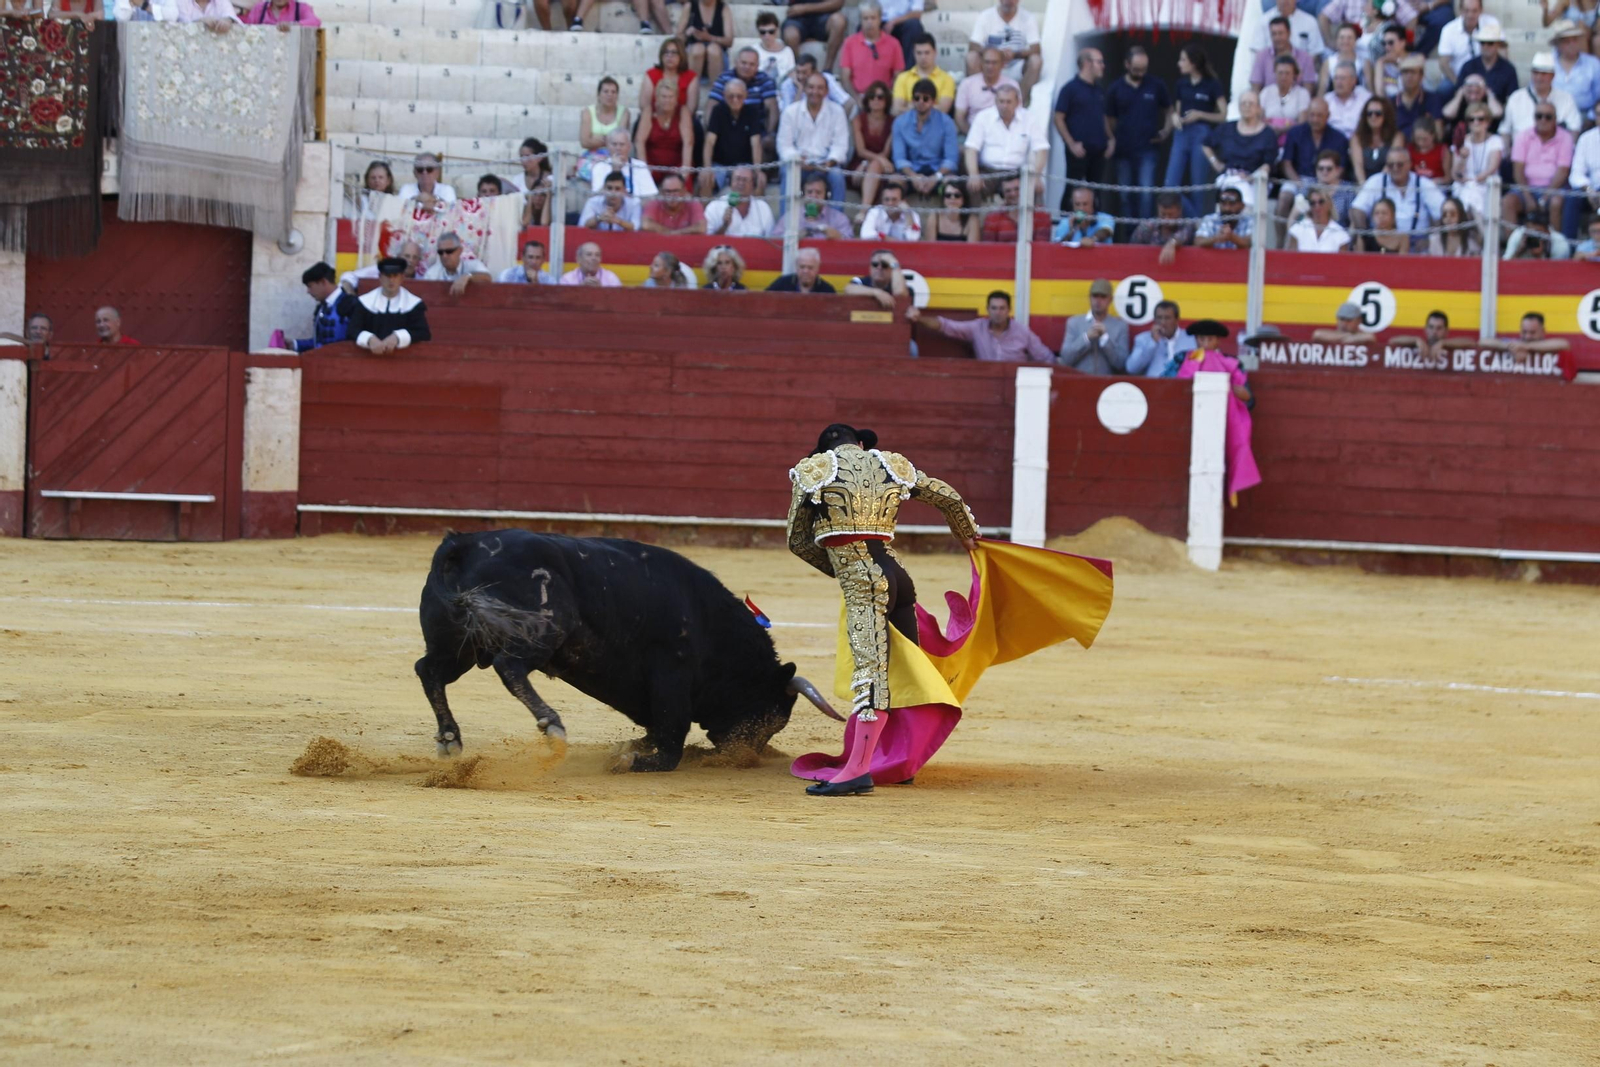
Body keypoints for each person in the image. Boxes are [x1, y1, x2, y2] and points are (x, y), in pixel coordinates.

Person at [785, 423, 978, 796]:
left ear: (822, 449)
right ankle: (898, 762)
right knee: (903, 671)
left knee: (871, 677)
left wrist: (841, 570)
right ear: (859, 443)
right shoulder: (890, 464)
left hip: (865, 581)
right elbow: (949, 498)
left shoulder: (814, 471)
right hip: (900, 578)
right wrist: (965, 532)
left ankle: (858, 770)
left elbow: (798, 541)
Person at [1177, 320, 1260, 507]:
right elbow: (1167, 386)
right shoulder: (1182, 358)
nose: (1205, 343)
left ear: (1217, 342)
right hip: (1189, 424)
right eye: (1201, 339)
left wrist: (1246, 397)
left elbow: (1250, 400)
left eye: (1209, 339)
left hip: (1221, 426)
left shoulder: (1232, 363)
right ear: (1196, 340)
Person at [1106, 46, 1172, 222]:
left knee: (1146, 193)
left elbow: (1169, 109)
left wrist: (1166, 130)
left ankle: (1145, 233)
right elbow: (1108, 118)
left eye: (1143, 69)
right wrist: (1112, 138)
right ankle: (1129, 237)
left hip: (1148, 148)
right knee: (1125, 195)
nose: (1140, 73)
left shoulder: (1156, 85)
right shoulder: (1115, 88)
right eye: (1136, 69)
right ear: (1126, 64)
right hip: (1122, 150)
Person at [1167, 43, 1229, 219]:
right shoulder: (1181, 84)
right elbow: (1177, 111)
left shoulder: (1212, 84)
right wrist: (1174, 118)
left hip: (1202, 134)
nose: (1179, 63)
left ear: (1193, 63)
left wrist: (1200, 115)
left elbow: (1223, 115)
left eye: (1183, 60)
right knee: (1170, 186)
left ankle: (1197, 227)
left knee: (1198, 186)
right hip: (1182, 133)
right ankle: (1193, 220)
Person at [777, 73, 852, 205]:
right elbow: (784, 145)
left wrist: (829, 162)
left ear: (826, 91)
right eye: (811, 87)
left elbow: (840, 145)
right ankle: (785, 222)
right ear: (805, 89)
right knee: (788, 173)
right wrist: (798, 160)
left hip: (826, 165)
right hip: (798, 164)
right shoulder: (790, 111)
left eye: (819, 88)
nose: (815, 92)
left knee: (837, 176)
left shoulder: (837, 111)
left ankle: (837, 222)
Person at [1350, 147, 1446, 248]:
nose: (1395, 168)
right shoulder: (1376, 181)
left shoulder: (1424, 184)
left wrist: (1431, 238)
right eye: (1391, 165)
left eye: (1400, 164)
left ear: (1410, 164)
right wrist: (1366, 237)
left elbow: (1443, 211)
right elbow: (1357, 209)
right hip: (1381, 243)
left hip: (1417, 244)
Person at [964, 84, 1048, 200]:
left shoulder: (1029, 118)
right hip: (989, 171)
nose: (1004, 106)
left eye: (1009, 102)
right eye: (1001, 101)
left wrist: (1036, 176)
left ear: (1017, 102)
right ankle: (974, 218)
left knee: (1037, 188)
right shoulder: (983, 117)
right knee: (973, 188)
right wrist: (974, 174)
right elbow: (971, 148)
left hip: (1017, 173)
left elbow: (1042, 149)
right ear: (995, 101)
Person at [1278, 99, 1350, 224]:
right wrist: (1299, 184)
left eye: (1319, 115)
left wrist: (1328, 181)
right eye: (1312, 115)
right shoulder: (1295, 132)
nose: (1315, 119)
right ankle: (1282, 240)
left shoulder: (1339, 138)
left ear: (1328, 116)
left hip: (1328, 178)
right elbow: (1287, 163)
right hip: (1298, 179)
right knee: (1284, 197)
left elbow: (1341, 167)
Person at [1505, 100, 1574, 229]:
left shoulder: (1565, 137)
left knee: (1556, 202)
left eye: (1548, 117)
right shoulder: (1523, 136)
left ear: (1555, 119)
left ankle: (1555, 246)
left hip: (1555, 188)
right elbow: (1518, 170)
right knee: (1508, 201)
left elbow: (1563, 171)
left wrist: (1545, 197)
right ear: (1534, 118)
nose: (1543, 120)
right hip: (1527, 187)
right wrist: (1528, 197)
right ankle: (1513, 246)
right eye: (1539, 116)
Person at [934, 289, 1052, 362]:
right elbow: (946, 326)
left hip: (1015, 384)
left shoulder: (1022, 331)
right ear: (988, 310)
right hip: (987, 384)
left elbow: (1045, 357)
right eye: (994, 308)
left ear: (1009, 310)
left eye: (1002, 308)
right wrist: (919, 318)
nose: (998, 312)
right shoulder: (977, 327)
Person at [1053, 48, 1111, 197]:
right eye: (1099, 62)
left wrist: (1110, 138)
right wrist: (1071, 144)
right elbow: (1058, 118)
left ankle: (1093, 221)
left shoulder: (1099, 90)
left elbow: (1102, 116)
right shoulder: (1070, 89)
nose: (1103, 66)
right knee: (1072, 192)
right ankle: (1065, 220)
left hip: (1099, 151)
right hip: (1078, 152)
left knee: (1095, 194)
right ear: (1086, 63)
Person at [1201, 89, 1279, 197]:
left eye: (1251, 103)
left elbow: (1268, 164)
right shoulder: (1227, 128)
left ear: (1259, 108)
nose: (1247, 106)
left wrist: (1249, 178)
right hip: (1229, 179)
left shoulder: (1268, 134)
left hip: (1256, 182)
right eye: (1243, 103)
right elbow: (1206, 144)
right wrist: (1216, 163)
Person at [965, 0, 1042, 104]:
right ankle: (983, 100)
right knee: (971, 57)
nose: (1009, 1)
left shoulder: (1028, 17)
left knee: (1036, 61)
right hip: (992, 64)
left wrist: (1015, 54)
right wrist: (995, 54)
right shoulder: (986, 16)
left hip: (1016, 65)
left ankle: (1018, 102)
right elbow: (973, 45)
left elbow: (1036, 48)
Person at [893, 77, 960, 197]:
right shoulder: (900, 122)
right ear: (912, 100)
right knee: (894, 181)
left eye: (925, 99)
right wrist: (913, 177)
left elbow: (951, 159)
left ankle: (947, 216)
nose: (921, 102)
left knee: (953, 184)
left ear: (934, 101)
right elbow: (899, 158)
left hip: (938, 171)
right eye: (917, 98)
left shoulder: (946, 122)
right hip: (911, 171)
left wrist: (936, 177)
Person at [350, 257, 430, 354]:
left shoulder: (413, 304)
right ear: (380, 277)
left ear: (402, 278)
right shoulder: (365, 302)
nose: (391, 280)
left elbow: (423, 333)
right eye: (387, 275)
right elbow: (352, 330)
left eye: (395, 275)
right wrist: (369, 339)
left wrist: (398, 337)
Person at [701, 77, 765, 196]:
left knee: (761, 180)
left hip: (744, 165)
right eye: (731, 96)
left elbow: (755, 143)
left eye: (739, 96)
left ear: (746, 96)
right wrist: (707, 168)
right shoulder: (718, 111)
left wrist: (757, 170)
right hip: (720, 164)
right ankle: (707, 214)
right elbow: (709, 142)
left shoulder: (752, 112)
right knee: (705, 180)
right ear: (724, 95)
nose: (735, 100)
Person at [709, 48, 782, 151]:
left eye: (752, 64)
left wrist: (770, 133)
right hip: (727, 128)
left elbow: (772, 108)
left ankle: (760, 167)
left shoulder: (765, 80)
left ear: (757, 66)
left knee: (768, 142)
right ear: (736, 62)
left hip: (756, 128)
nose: (747, 67)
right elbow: (712, 105)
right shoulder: (723, 78)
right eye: (743, 63)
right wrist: (710, 129)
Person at [1503, 52, 1581, 143]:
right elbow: (1505, 130)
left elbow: (1574, 129)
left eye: (1544, 74)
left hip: (1555, 153)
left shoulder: (1566, 98)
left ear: (1553, 76)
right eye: (1536, 73)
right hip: (1521, 153)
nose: (1539, 77)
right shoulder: (1516, 98)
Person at [839, 2, 906, 108]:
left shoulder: (893, 44)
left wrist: (885, 96)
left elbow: (898, 76)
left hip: (885, 97)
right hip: (859, 96)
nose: (870, 22)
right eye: (865, 18)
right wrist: (856, 99)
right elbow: (845, 77)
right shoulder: (849, 43)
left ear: (880, 19)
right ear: (860, 20)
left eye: (873, 18)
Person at [1058, 278, 1129, 375]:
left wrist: (1105, 340)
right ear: (1090, 298)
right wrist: (1086, 338)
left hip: (1106, 385)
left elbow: (1120, 364)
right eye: (1095, 296)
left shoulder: (1120, 326)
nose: (1098, 301)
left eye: (1103, 297)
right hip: (1079, 383)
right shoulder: (1074, 323)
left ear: (1110, 300)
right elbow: (1066, 358)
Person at [285, 262, 356, 352]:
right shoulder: (320, 308)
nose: (308, 291)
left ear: (323, 282)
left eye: (310, 286)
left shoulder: (351, 303)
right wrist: (295, 344)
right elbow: (319, 343)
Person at [1451, 102, 1504, 217]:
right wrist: (1463, 158)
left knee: (1472, 194)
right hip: (1464, 186)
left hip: (1486, 185)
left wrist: (1473, 180)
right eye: (1472, 119)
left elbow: (1492, 168)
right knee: (1469, 192)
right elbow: (1455, 175)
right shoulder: (1461, 141)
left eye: (1480, 119)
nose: (1476, 122)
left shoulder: (1495, 140)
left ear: (1488, 122)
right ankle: (1481, 232)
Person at [850, 81, 896, 209]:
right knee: (876, 165)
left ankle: (864, 210)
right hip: (860, 162)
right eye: (872, 97)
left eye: (880, 97)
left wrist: (878, 161)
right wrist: (867, 164)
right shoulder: (858, 119)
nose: (876, 100)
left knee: (876, 166)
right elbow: (860, 151)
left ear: (886, 100)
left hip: (882, 165)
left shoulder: (893, 121)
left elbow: (886, 152)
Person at [577, 79, 631, 187]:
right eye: (606, 91)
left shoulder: (624, 112)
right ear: (598, 94)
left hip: (616, 155)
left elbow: (620, 140)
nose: (609, 95)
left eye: (613, 92)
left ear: (617, 95)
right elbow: (584, 142)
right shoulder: (587, 112)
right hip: (591, 157)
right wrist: (610, 140)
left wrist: (596, 138)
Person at [955, 47, 1020, 135]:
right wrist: (974, 137)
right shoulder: (967, 84)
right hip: (973, 132)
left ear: (1002, 65)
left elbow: (1018, 115)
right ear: (981, 64)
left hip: (1003, 135)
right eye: (987, 62)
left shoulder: (1012, 85)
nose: (990, 66)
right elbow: (959, 117)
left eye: (994, 63)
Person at [770, 171, 853, 239]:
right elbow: (775, 240)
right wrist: (794, 237)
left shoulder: (839, 218)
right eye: (809, 192)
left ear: (827, 195)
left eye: (818, 192)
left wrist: (839, 237)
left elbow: (851, 244)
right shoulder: (790, 217)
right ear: (802, 194)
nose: (813, 196)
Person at [637, 80, 692, 181]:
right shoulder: (649, 111)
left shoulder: (683, 112)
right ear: (657, 98)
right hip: (652, 166)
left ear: (676, 99)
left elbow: (688, 143)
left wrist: (685, 170)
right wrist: (644, 169)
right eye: (664, 96)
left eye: (671, 97)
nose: (667, 100)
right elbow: (639, 141)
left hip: (677, 166)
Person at [1437, 0, 1503, 85]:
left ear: (1481, 10)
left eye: (1474, 11)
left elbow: (1502, 53)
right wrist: (1459, 85)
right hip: (1457, 78)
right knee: (1444, 89)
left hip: (1487, 77)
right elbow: (1443, 63)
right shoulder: (1448, 30)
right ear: (1460, 10)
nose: (1470, 15)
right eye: (1466, 10)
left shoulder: (1492, 24)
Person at [1127, 300, 1196, 378]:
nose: (1162, 322)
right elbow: (1131, 368)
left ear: (1177, 320)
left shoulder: (1191, 339)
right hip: (1153, 386)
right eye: (1159, 318)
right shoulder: (1143, 339)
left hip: (1183, 386)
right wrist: (1152, 342)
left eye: (1167, 318)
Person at [1562, 98, 1600, 238]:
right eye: (1598, 114)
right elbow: (1576, 173)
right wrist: (1589, 190)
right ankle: (1569, 249)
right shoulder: (1586, 138)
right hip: (1592, 191)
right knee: (1573, 197)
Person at [1249, 16, 1316, 93]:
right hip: (1268, 102)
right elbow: (1255, 88)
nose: (1277, 38)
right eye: (1274, 34)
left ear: (1289, 33)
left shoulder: (1305, 58)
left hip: (1298, 102)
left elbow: (1308, 90)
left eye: (1280, 33)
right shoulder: (1262, 56)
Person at [845, 250, 918, 320]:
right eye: (875, 264)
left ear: (892, 269)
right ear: (870, 268)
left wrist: (894, 262)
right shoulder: (861, 281)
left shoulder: (902, 287)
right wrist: (876, 292)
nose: (879, 268)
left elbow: (900, 294)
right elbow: (848, 289)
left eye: (885, 265)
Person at [781, 0, 848, 77]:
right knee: (790, 35)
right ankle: (800, 71)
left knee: (839, 21)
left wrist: (805, 8)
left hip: (824, 16)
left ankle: (827, 71)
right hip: (797, 18)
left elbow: (838, 3)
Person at [892, 34, 954, 115]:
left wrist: (911, 106)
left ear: (935, 52)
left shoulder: (946, 79)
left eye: (927, 53)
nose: (923, 57)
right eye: (919, 53)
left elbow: (943, 110)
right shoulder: (902, 78)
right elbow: (897, 110)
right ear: (914, 53)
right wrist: (932, 105)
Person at [705, 165, 776, 237]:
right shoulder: (714, 207)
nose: (741, 183)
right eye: (737, 179)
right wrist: (724, 226)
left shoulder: (763, 208)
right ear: (730, 182)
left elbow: (771, 240)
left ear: (753, 185)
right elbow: (707, 241)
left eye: (745, 180)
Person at [1458, 26, 1518, 109]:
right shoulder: (1468, 66)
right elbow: (1458, 92)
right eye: (1482, 43)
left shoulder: (1508, 69)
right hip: (1470, 114)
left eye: (1490, 43)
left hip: (1497, 116)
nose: (1485, 46)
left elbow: (1512, 97)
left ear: (1498, 45)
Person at [1475, 311, 1572, 362]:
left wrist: (1525, 347)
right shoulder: (1514, 343)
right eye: (1524, 332)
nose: (1527, 336)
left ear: (1543, 332)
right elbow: (1482, 342)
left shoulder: (1546, 345)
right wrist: (1510, 347)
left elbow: (1564, 344)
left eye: (1532, 332)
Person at [978, 174, 1050, 242]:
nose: (1013, 194)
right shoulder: (992, 218)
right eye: (1008, 191)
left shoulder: (1041, 215)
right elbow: (990, 249)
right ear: (1002, 194)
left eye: (1017, 189)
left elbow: (1042, 249)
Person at [1129, 193, 1196, 265]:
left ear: (1179, 211)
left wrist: (1172, 243)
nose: (1166, 219)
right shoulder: (1148, 226)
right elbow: (1132, 249)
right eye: (1163, 214)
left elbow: (1184, 235)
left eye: (1170, 215)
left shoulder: (1187, 225)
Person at [1253, 0, 1323, 69]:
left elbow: (1315, 53)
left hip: (1303, 73)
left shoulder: (1310, 22)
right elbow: (1259, 53)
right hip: (1271, 73)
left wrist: (1297, 72)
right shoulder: (1263, 21)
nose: (1284, 1)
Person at [640, 37, 700, 118]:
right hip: (654, 118)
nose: (669, 56)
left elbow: (691, 108)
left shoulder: (691, 76)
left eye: (674, 53)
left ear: (681, 55)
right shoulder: (651, 74)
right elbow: (644, 105)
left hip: (683, 119)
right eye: (666, 52)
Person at [1550, 19, 1600, 115]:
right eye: (1566, 41)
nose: (1572, 44)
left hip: (1584, 115)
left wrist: (1591, 118)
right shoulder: (1548, 62)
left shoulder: (1593, 64)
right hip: (1552, 116)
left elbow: (1599, 97)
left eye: (1575, 40)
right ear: (1558, 44)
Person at [678, 0, 732, 86]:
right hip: (693, 54)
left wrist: (709, 38)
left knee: (713, 49)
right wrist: (686, 34)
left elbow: (729, 41)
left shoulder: (723, 8)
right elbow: (678, 39)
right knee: (698, 49)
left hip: (717, 56)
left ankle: (716, 94)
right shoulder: (690, 6)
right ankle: (691, 92)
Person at [1350, 96, 1403, 186]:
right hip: (1362, 186)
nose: (1373, 117)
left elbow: (1391, 165)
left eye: (1378, 113)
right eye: (1369, 113)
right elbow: (1358, 166)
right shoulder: (1356, 137)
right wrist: (1365, 188)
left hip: (1388, 184)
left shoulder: (1396, 136)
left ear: (1386, 116)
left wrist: (1376, 187)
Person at [1442, 74, 1504, 148]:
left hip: (1485, 145)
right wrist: (1459, 94)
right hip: (1459, 145)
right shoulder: (1459, 102)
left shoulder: (1488, 101)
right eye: (1470, 92)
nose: (1473, 97)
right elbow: (1447, 113)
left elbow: (1497, 113)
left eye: (1477, 92)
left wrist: (1489, 93)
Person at [591, 129, 658, 198]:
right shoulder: (600, 167)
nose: (618, 148)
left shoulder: (640, 166)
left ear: (629, 147)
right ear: (608, 146)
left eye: (622, 144)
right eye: (614, 144)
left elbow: (650, 196)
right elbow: (596, 198)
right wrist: (615, 171)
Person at [420, 232, 491, 297]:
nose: (444, 256)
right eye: (441, 252)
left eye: (449, 251)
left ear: (460, 250)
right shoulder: (432, 273)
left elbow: (487, 278)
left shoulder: (473, 265)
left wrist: (467, 277)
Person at [1392, 55, 1444, 141]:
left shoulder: (1433, 99)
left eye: (1413, 72)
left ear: (1421, 76)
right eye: (1405, 72)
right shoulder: (1391, 102)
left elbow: (1439, 133)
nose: (1409, 76)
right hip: (1399, 148)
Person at [340, 240, 423, 293]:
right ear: (399, 257)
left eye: (415, 257)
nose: (411, 261)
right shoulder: (380, 270)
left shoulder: (422, 279)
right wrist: (351, 297)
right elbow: (348, 277)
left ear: (419, 261)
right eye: (407, 256)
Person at [1286, 185, 1351, 251]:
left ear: (1329, 204)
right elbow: (1289, 259)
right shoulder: (1297, 230)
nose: (1317, 206)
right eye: (1313, 203)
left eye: (1321, 202)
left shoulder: (1341, 235)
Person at [1260, 55, 1311, 139]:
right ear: (1275, 73)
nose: (1283, 77)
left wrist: (1282, 130)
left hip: (1294, 138)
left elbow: (1303, 124)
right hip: (1268, 137)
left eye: (1287, 73)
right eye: (1280, 73)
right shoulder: (1266, 92)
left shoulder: (1302, 94)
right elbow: (1259, 120)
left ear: (1294, 75)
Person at [778, 54, 852, 112]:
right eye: (798, 72)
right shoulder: (788, 85)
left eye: (804, 73)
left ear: (814, 72)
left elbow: (848, 103)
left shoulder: (826, 79)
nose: (800, 77)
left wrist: (837, 124)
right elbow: (788, 116)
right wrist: (800, 89)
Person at [641, 173, 707, 235]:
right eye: (668, 191)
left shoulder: (693, 204)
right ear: (661, 192)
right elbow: (646, 225)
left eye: (676, 191)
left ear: (684, 191)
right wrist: (674, 233)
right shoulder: (654, 203)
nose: (672, 195)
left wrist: (673, 233)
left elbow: (701, 228)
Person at [1194, 185, 1255, 249]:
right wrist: (1216, 238)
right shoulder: (1211, 219)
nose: (1227, 208)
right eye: (1223, 203)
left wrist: (1231, 237)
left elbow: (1250, 243)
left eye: (1232, 204)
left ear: (1242, 206)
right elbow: (1198, 242)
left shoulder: (1249, 221)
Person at [1326, 61, 1373, 140]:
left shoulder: (1365, 98)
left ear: (1354, 80)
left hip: (1360, 140)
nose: (1338, 82)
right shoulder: (1326, 100)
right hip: (1332, 143)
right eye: (1336, 78)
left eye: (1342, 78)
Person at [1388, 310, 1454, 363]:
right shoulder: (1419, 344)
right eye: (1431, 327)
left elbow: (1464, 341)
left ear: (1446, 331)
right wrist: (1416, 340)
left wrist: (1443, 343)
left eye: (1439, 328)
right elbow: (1392, 341)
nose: (1434, 331)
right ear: (1426, 330)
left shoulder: (1451, 348)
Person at [878, 0, 928, 69]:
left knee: (914, 26)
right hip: (879, 21)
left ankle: (908, 74)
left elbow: (917, 13)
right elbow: (869, 8)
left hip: (903, 21)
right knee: (865, 26)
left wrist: (893, 22)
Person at [1366, 23, 1410, 103]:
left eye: (1390, 43)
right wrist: (1380, 63)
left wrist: (1397, 62)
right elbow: (1379, 93)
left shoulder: (1414, 59)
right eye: (1384, 43)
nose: (1387, 47)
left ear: (1402, 43)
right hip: (1388, 106)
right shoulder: (1382, 62)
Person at [1503, 207, 1569, 259]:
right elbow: (1505, 266)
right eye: (1530, 232)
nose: (1533, 236)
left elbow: (1558, 273)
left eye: (1537, 233)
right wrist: (1519, 252)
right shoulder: (1518, 235)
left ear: (1547, 232)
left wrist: (1539, 256)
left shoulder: (1560, 243)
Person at [753, 10, 795, 87]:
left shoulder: (787, 51)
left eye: (771, 32)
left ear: (777, 30)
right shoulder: (753, 51)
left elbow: (791, 76)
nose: (767, 35)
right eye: (763, 32)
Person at [766, 247, 835, 292]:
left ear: (817, 268)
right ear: (796, 266)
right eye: (802, 267)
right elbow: (764, 300)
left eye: (810, 268)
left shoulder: (827, 290)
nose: (805, 271)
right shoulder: (782, 284)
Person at [1312, 301, 1377, 344]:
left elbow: (1369, 337)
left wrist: (1336, 339)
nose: (1344, 323)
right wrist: (1349, 337)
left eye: (1349, 320)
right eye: (1342, 319)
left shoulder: (1365, 337)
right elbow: (1317, 334)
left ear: (1359, 320)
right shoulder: (1327, 335)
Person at [1409, 117, 1447, 183]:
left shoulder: (1442, 150)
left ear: (1433, 135)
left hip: (1435, 187)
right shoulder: (1409, 150)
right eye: (1417, 139)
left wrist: (1432, 183)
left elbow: (1448, 177)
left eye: (1424, 139)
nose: (1421, 143)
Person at [241, 0, 319, 27]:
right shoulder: (260, 8)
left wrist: (293, 25)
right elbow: (248, 27)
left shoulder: (301, 8)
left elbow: (315, 21)